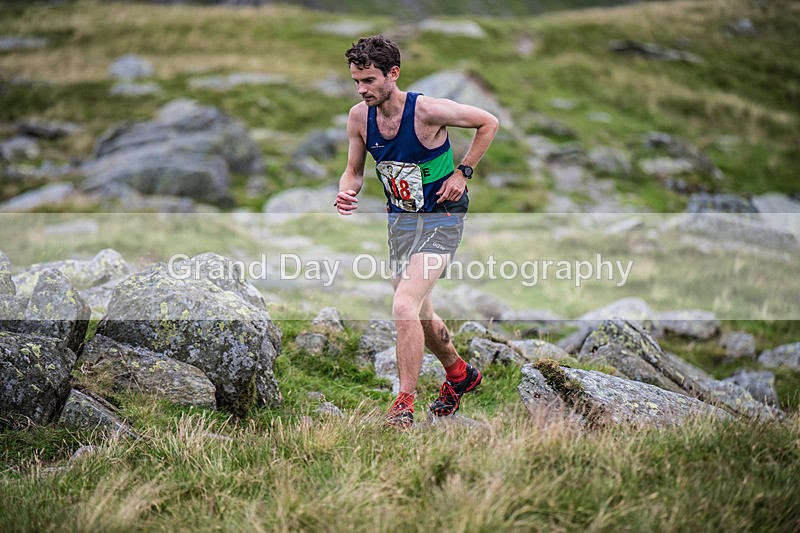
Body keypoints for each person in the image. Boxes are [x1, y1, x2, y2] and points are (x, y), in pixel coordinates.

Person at [335, 35, 499, 428]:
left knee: (403, 306)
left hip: (442, 216)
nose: (362, 89)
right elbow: (354, 172)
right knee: (421, 312)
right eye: (357, 81)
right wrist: (345, 191)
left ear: (393, 74)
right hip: (402, 221)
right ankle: (460, 375)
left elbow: (488, 122)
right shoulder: (360, 117)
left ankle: (403, 405)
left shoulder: (426, 110)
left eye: (369, 80)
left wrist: (463, 172)